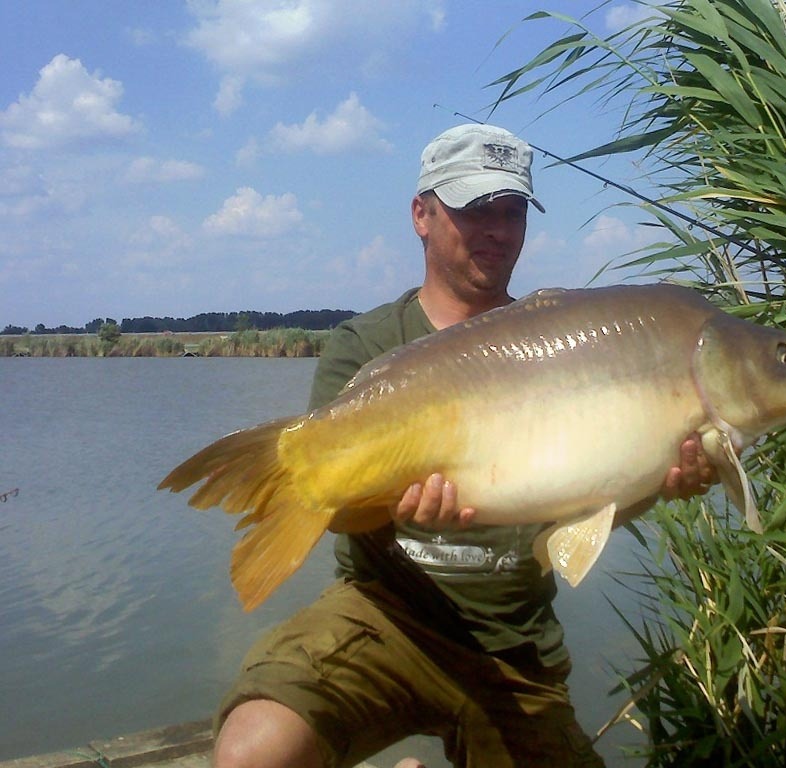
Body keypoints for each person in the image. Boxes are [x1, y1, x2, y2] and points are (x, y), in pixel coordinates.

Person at [212, 123, 717, 768]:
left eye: (511, 213)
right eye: (475, 211)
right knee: (254, 750)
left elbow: (589, 496)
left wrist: (659, 479)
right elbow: (333, 510)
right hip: (384, 614)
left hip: (514, 645)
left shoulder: (567, 345)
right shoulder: (365, 345)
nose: (496, 231)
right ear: (421, 215)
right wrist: (390, 503)